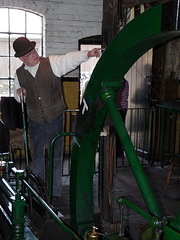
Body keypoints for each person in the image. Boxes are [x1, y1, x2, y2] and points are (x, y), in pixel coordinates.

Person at [13, 36, 101, 204]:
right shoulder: (19, 74)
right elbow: (17, 94)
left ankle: (55, 192)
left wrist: (88, 53)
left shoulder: (51, 63)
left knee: (56, 155)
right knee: (38, 156)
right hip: (35, 120)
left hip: (55, 117)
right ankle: (37, 191)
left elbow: (69, 59)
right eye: (30, 53)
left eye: (34, 50)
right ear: (22, 58)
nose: (35, 54)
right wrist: (19, 94)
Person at [116, 78, 129, 157]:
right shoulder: (125, 82)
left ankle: (118, 151)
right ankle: (119, 151)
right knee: (120, 130)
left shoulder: (121, 83)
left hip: (119, 108)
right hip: (123, 108)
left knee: (118, 131)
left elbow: (118, 96)